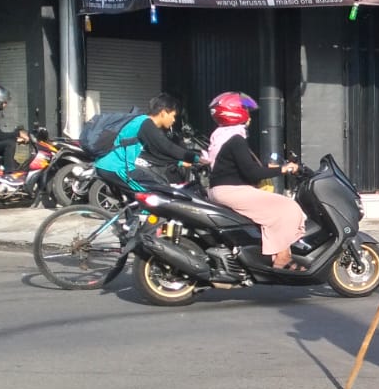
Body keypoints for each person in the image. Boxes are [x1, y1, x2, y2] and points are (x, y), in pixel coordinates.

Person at [201, 92, 306, 270]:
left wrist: (270, 167)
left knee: (275, 209)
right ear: (236, 113)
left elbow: (242, 166)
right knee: (288, 206)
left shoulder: (221, 136)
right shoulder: (235, 139)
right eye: (246, 111)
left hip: (222, 190)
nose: (249, 116)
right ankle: (282, 258)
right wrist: (283, 169)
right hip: (232, 191)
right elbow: (252, 173)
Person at [94, 94, 202, 190]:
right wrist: (196, 158)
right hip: (116, 168)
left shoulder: (142, 121)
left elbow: (153, 153)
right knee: (158, 193)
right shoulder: (145, 124)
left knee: (156, 190)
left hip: (110, 167)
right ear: (164, 113)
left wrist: (179, 162)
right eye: (173, 116)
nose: (174, 120)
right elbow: (166, 147)